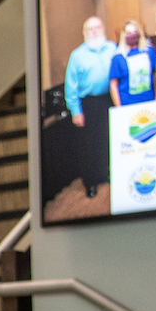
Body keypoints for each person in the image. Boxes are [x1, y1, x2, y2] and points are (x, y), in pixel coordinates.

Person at [64, 16, 116, 197]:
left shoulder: (113, 48)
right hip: (89, 104)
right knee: (89, 145)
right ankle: (91, 182)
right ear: (84, 32)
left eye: (97, 27)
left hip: (110, 100)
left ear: (103, 28)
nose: (93, 32)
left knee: (108, 140)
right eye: (89, 29)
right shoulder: (76, 56)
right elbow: (71, 87)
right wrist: (76, 111)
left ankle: (105, 174)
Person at [109, 20, 156, 106]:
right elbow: (113, 85)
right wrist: (119, 107)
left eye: (134, 31)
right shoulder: (118, 57)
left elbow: (155, 76)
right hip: (127, 104)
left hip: (150, 101)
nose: (132, 35)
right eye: (129, 32)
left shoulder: (149, 50)